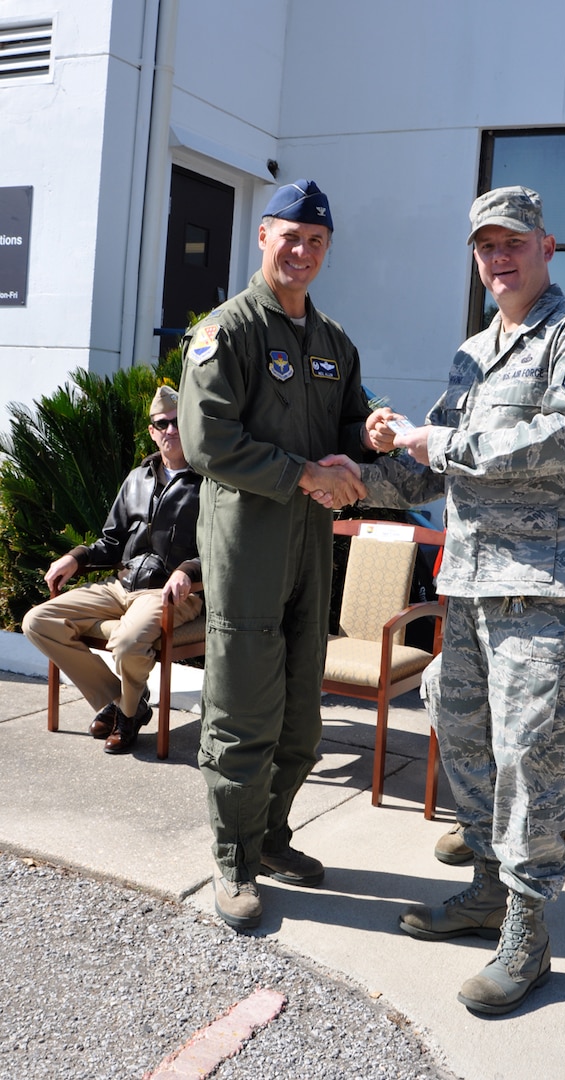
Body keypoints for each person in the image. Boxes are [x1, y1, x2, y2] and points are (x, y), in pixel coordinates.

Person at [327, 185, 565, 1014]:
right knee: (457, 724)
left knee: (529, 756)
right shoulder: (471, 354)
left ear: (546, 248)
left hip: (546, 587)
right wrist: (352, 480)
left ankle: (528, 941)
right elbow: (427, 466)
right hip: (469, 583)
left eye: (512, 244)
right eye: (484, 247)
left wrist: (441, 440)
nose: (497, 259)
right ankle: (491, 891)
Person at [177, 179, 389, 932]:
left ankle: (271, 835)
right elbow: (207, 442)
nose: (301, 252)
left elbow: (351, 420)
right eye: (289, 237)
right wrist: (306, 474)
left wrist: (376, 431)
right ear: (262, 237)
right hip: (248, 545)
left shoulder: (333, 341)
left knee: (300, 714)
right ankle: (232, 857)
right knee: (242, 710)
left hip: (311, 547)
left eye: (316, 242)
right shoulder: (225, 332)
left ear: (326, 252)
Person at [430, 499, 565, 866]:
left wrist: (559, 607)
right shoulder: (506, 499)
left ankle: (536, 820)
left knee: (540, 686)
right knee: (438, 678)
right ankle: (479, 816)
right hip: (500, 632)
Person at [22, 386, 202, 754]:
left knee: (126, 642)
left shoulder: (209, 483)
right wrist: (76, 557)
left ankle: (126, 713)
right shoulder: (138, 478)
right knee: (37, 622)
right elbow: (112, 540)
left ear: (191, 426)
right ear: (152, 431)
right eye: (162, 424)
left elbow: (222, 550)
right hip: (121, 587)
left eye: (177, 423)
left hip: (172, 593)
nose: (170, 430)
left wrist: (187, 570)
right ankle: (124, 705)